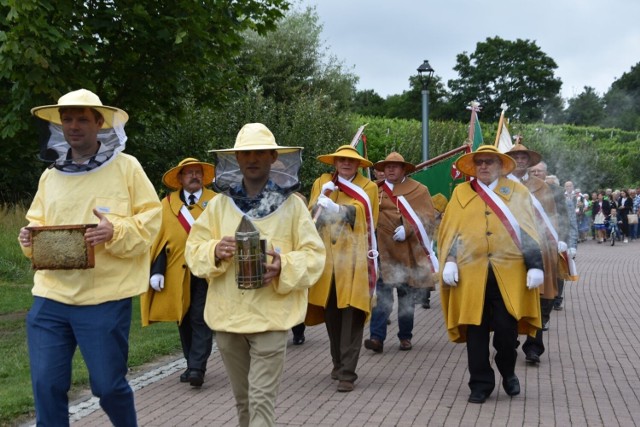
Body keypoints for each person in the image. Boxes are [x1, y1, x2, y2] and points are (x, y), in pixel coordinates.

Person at [19, 89, 162, 426]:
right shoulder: (50, 175)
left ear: (99, 123)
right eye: (67, 119)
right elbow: (36, 222)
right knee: (46, 384)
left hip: (104, 297)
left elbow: (151, 221)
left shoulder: (127, 168)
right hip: (50, 296)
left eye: (82, 118)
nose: (73, 125)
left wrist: (115, 231)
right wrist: (29, 237)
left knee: (108, 386)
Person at [184, 123, 325, 427]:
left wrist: (283, 266)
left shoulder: (292, 206)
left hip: (272, 318)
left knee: (260, 401)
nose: (252, 159)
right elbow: (192, 250)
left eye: (259, 152)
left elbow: (315, 256)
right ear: (236, 159)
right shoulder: (219, 206)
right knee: (244, 402)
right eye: (246, 153)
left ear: (274, 156)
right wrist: (214, 251)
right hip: (228, 318)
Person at [438, 145, 542, 404]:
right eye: (479, 162)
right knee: (476, 333)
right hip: (470, 276)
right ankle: (480, 384)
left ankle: (507, 371)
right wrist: (450, 261)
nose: (483, 166)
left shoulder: (516, 191)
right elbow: (451, 231)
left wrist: (535, 265)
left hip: (509, 274)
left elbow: (529, 230)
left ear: (499, 165)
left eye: (489, 162)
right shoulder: (461, 192)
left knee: (507, 334)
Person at [305, 144, 379, 393]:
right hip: (327, 262)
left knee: (353, 316)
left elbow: (368, 216)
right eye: (341, 160)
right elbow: (310, 221)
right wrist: (319, 200)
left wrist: (339, 209)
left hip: (355, 260)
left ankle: (348, 372)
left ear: (358, 164)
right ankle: (338, 363)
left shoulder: (368, 187)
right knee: (332, 318)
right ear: (334, 163)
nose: (346, 164)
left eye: (351, 160)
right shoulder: (322, 182)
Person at [140, 158, 216, 387]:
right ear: (180, 179)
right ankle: (190, 362)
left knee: (200, 318)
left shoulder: (215, 202)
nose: (194, 176)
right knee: (182, 318)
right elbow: (159, 241)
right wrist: (157, 270)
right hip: (177, 272)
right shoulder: (167, 204)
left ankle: (196, 367)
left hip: (207, 271)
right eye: (189, 173)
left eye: (198, 172)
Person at [363, 152, 437, 353]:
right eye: (387, 166)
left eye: (395, 166)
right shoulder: (375, 190)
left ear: (404, 169)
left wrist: (408, 228)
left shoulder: (419, 190)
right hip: (382, 252)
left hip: (406, 253)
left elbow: (428, 218)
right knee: (382, 296)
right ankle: (376, 338)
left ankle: (405, 336)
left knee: (405, 297)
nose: (390, 170)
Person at [507, 144, 563, 363]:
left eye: (523, 157)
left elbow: (552, 217)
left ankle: (533, 347)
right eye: (515, 156)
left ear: (529, 161)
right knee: (509, 297)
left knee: (537, 299)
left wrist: (557, 241)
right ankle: (508, 341)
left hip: (537, 249)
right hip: (509, 250)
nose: (520, 160)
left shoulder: (541, 187)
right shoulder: (499, 185)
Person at [529, 163, 578, 311]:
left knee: (555, 270)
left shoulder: (556, 191)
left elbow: (563, 216)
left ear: (546, 173)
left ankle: (554, 299)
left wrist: (564, 240)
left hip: (552, 236)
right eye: (533, 171)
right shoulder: (523, 188)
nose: (536, 173)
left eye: (539, 171)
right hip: (531, 237)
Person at [419, 193, 449, 309]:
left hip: (439, 254)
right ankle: (424, 298)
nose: (433, 212)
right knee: (426, 275)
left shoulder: (444, 223)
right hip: (427, 253)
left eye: (435, 210)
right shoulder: (425, 220)